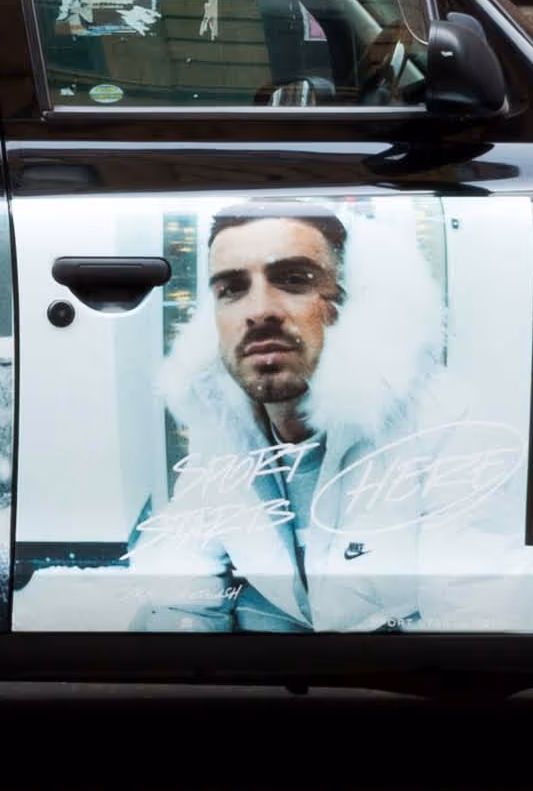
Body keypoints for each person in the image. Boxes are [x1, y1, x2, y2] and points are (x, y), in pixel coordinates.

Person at [124, 207, 451, 632]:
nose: (259, 311)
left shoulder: (446, 423)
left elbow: (474, 622)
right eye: (231, 288)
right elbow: (178, 597)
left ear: (350, 302)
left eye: (294, 280)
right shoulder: (224, 430)